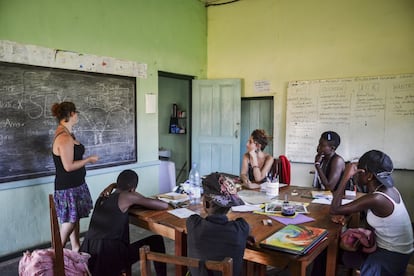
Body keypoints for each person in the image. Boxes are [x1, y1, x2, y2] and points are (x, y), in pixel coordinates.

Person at [330, 150, 413, 275]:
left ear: (369, 176)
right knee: (346, 255)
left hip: (391, 257)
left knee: (339, 252)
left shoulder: (377, 198)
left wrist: (345, 176)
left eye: (359, 171)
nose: (356, 174)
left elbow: (334, 209)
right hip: (399, 252)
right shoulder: (389, 190)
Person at [80, 169, 169, 276]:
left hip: (89, 255)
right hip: (109, 258)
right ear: (133, 189)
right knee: (156, 240)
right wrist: (134, 194)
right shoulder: (127, 196)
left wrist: (112, 186)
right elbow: (164, 206)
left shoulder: (103, 196)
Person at [51, 101, 99, 252]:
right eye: (76, 112)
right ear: (71, 114)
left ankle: (76, 249)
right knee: (69, 222)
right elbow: (68, 166)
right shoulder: (64, 137)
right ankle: (54, 254)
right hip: (68, 187)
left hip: (76, 184)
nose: (77, 114)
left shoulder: (67, 133)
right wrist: (88, 160)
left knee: (75, 217)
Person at [186, 173, 251, 276]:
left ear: (205, 203)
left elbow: (197, 218)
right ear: (230, 206)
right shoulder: (241, 228)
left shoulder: (192, 223)